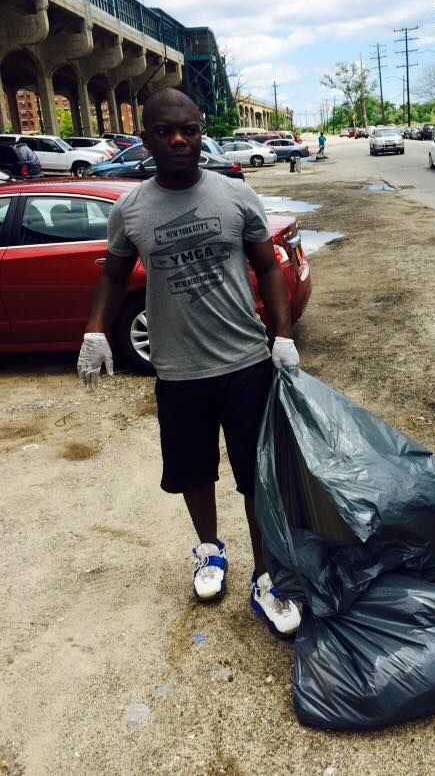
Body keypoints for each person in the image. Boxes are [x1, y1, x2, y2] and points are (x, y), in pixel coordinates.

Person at [77, 87, 302, 638]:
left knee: (257, 479)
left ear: (201, 131)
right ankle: (209, 551)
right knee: (192, 471)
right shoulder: (130, 209)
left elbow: (268, 267)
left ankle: (267, 579)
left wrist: (283, 334)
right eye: (164, 131)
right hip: (178, 371)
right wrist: (94, 331)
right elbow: (111, 273)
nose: (178, 140)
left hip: (246, 363)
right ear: (145, 137)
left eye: (189, 129)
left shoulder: (235, 196)